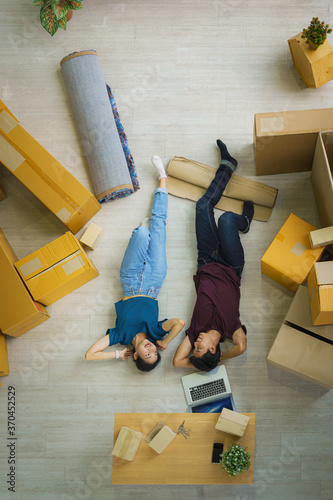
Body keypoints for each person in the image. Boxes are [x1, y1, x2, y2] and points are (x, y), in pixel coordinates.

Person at [85, 156, 185, 371]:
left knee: (141, 233)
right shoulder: (156, 333)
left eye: (146, 355)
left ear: (136, 357)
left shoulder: (121, 336)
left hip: (130, 281)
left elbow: (90, 355)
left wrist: (117, 354)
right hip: (154, 282)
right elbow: (180, 323)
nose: (151, 349)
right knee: (158, 226)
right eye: (154, 353)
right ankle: (162, 178)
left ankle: (145, 234)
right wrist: (166, 342)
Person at [173, 140, 254, 372]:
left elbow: (177, 362)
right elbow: (240, 347)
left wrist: (199, 360)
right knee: (227, 218)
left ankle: (228, 165)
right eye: (199, 348)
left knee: (202, 206)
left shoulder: (195, 329)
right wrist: (221, 359)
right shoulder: (231, 328)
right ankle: (244, 223)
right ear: (211, 349)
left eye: (193, 348)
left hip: (206, 259)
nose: (195, 344)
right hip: (231, 265)